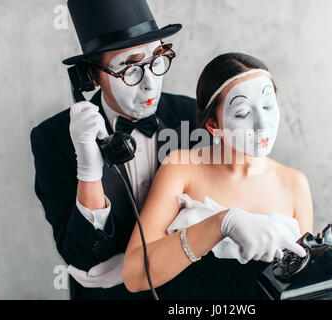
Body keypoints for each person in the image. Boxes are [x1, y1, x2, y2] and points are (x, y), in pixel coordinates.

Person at [30, 0, 198, 299]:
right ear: (91, 77)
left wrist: (136, 264)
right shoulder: (52, 139)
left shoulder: (193, 117)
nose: (150, 85)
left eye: (157, 60)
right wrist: (89, 171)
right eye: (131, 69)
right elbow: (81, 258)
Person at [122, 52, 314, 299]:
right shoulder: (181, 168)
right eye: (243, 113)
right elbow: (135, 275)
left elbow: (302, 287)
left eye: (268, 106)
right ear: (213, 125)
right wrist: (221, 223)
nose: (262, 124)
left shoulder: (295, 184)